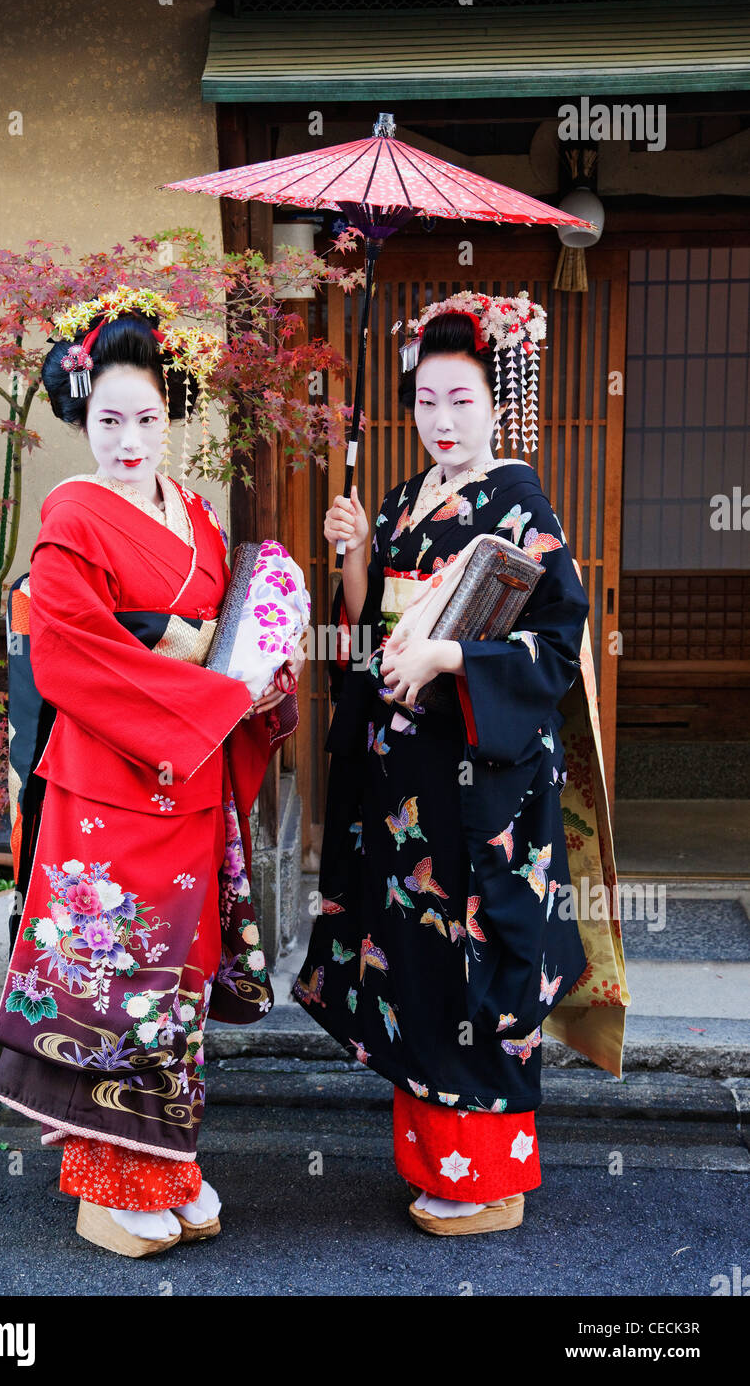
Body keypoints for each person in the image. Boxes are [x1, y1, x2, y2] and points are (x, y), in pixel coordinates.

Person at [293, 292, 625, 1235]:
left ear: (496, 405)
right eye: (427, 401)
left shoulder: (521, 504)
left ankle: (489, 1179)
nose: (442, 421)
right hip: (407, 786)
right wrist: (357, 559)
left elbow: (560, 643)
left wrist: (452, 659)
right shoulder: (402, 499)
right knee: (416, 965)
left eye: (462, 401)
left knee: (480, 965)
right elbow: (368, 631)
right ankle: (436, 1160)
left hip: (483, 788)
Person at [0, 288, 306, 1256]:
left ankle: (166, 1166)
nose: (127, 441)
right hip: (106, 786)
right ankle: (105, 1183)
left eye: (146, 420)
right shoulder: (70, 512)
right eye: (107, 420)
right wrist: (204, 691)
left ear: (173, 419)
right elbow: (70, 653)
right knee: (112, 982)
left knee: (173, 986)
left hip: (189, 780)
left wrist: (261, 676)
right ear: (84, 419)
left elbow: (224, 638)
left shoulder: (198, 521)